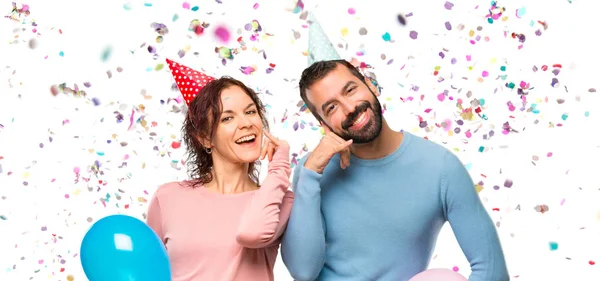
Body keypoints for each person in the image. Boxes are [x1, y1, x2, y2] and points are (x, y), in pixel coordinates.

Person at [281, 59, 509, 281]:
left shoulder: (440, 168)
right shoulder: (312, 171)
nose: (350, 108)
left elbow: (493, 272)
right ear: (324, 124)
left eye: (350, 90)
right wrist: (310, 174)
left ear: (370, 86)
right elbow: (303, 271)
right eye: (332, 107)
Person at [147, 66, 294, 281]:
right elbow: (150, 272)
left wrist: (279, 169)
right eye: (227, 118)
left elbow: (251, 233)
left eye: (251, 111)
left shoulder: (280, 200)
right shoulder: (168, 197)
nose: (246, 123)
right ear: (205, 138)